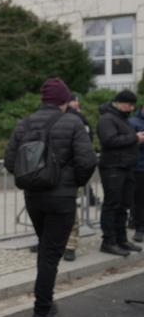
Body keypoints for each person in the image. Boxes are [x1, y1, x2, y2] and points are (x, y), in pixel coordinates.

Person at [4, 78, 96, 317]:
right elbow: (87, 161)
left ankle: (45, 301)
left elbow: (10, 161)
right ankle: (42, 313)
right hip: (62, 199)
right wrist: (73, 183)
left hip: (33, 197)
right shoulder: (74, 122)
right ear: (65, 101)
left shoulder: (25, 123)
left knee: (46, 250)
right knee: (50, 255)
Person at [97, 90, 144, 256]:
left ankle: (121, 239)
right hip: (113, 167)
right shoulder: (107, 119)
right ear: (120, 102)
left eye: (133, 105)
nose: (131, 108)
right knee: (113, 204)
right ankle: (108, 241)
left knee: (124, 205)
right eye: (129, 104)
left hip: (126, 167)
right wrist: (135, 138)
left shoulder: (122, 118)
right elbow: (109, 141)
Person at [63, 93, 94, 261]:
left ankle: (70, 244)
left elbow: (86, 150)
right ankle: (65, 243)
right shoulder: (55, 117)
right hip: (58, 176)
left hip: (70, 175)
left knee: (70, 212)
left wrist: (79, 177)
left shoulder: (78, 120)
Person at [129, 103, 144, 243]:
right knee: (139, 199)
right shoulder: (133, 122)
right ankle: (139, 228)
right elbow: (128, 143)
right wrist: (138, 140)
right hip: (139, 167)